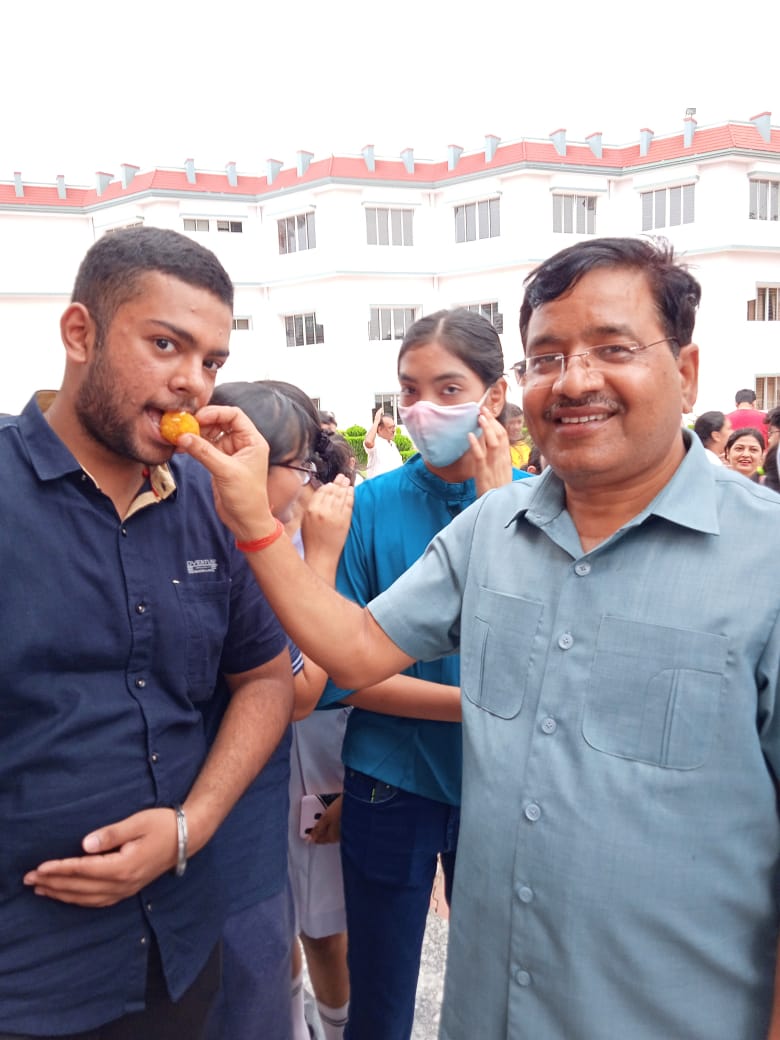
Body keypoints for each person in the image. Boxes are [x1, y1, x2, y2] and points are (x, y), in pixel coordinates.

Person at [182, 236, 780, 1040]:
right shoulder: (495, 527)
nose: (574, 380)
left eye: (612, 349)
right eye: (547, 357)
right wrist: (257, 522)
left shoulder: (764, 561)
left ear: (688, 371)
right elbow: (356, 649)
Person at [189, 308, 522, 1040]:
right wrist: (487, 705)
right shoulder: (367, 507)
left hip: (503, 782)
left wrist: (504, 507)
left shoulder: (540, 504)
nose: (424, 409)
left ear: (493, 396)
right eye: (409, 390)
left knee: (503, 984)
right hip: (388, 777)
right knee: (381, 989)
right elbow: (343, 671)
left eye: (448, 388)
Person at [0, 227, 294, 1039]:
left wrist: (188, 828)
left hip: (179, 953)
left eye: (210, 361)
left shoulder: (209, 501)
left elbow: (266, 678)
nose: (191, 384)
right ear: (79, 334)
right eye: (166, 345)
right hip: (26, 979)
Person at [204, 380, 352, 1040]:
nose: (305, 485)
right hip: (234, 806)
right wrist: (319, 556)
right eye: (300, 467)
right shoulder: (242, 545)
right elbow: (302, 690)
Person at [362, 406, 402, 478]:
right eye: (390, 428)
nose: (393, 430)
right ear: (380, 429)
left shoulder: (393, 445)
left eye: (394, 427)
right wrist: (376, 421)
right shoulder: (376, 443)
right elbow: (368, 442)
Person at [504, 402, 531, 468]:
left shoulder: (524, 447)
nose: (516, 427)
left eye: (519, 422)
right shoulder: (496, 448)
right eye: (511, 422)